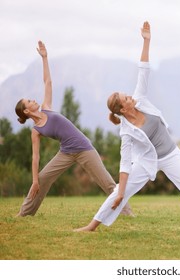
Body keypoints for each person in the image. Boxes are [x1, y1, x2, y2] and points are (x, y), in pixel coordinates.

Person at [74, 21, 180, 238]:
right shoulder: (126, 131)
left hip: (171, 155)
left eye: (128, 95)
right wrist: (121, 192)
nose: (130, 96)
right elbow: (124, 163)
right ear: (123, 108)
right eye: (126, 98)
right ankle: (92, 225)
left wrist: (147, 40)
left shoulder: (140, 100)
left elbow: (143, 71)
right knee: (118, 193)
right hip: (147, 162)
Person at [15, 41, 133, 217]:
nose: (33, 101)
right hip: (66, 153)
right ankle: (24, 214)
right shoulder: (36, 131)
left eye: (31, 99)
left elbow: (48, 81)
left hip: (84, 148)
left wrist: (45, 58)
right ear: (26, 111)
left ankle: (127, 213)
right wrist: (34, 180)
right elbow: (35, 156)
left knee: (107, 182)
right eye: (29, 102)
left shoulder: (46, 107)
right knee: (41, 179)